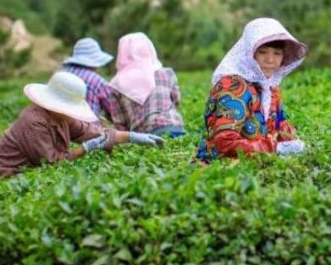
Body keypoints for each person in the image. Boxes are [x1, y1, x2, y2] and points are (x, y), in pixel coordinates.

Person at [0, 71, 162, 177]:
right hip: (1, 172)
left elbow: (94, 133)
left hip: (26, 172)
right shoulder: (33, 121)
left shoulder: (62, 117)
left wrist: (132, 137)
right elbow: (50, 163)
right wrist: (83, 150)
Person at [195, 18, 307, 163]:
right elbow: (225, 143)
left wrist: (292, 140)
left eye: (277, 53)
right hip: (222, 166)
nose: (270, 60)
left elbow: (280, 123)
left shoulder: (270, 88)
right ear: (250, 53)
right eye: (263, 52)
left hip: (259, 161)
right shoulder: (232, 86)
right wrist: (273, 148)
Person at [107, 32, 186, 137]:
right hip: (175, 127)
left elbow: (120, 124)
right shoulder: (167, 72)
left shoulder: (115, 85)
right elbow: (176, 100)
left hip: (144, 137)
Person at [59, 37, 118, 122]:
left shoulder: (61, 74)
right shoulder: (97, 81)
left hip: (60, 130)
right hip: (87, 132)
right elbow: (113, 112)